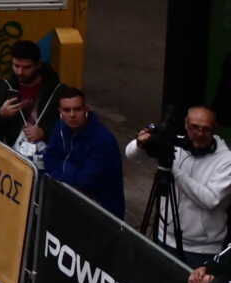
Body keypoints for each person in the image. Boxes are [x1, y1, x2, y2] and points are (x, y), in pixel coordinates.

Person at [133, 108, 231, 264]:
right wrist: (140, 143)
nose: (199, 133)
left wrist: (172, 169)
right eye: (194, 127)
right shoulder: (175, 143)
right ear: (186, 125)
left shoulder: (227, 160)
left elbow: (211, 200)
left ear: (215, 129)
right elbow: (131, 154)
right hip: (163, 235)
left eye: (206, 129)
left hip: (201, 250)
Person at [43, 88, 127, 217]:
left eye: (77, 109)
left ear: (86, 110)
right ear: (60, 112)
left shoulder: (102, 140)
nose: (72, 115)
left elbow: (85, 181)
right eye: (66, 110)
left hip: (102, 212)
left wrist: (61, 170)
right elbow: (49, 160)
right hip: (70, 200)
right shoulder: (60, 126)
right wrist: (67, 171)